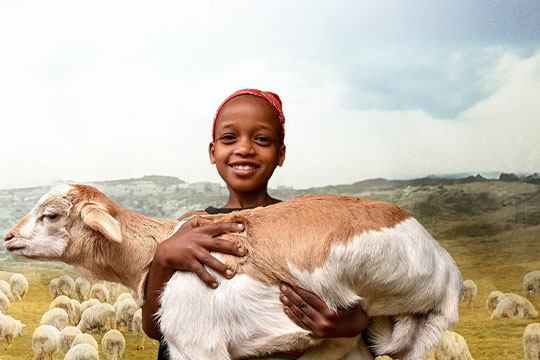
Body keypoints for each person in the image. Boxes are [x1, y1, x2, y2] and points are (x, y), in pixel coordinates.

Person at [141, 88, 370, 359]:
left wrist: (355, 323)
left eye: (261, 139)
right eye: (229, 138)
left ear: (280, 153)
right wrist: (163, 258)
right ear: (213, 152)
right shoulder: (191, 227)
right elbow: (156, 329)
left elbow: (365, 290)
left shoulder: (306, 225)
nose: (245, 148)